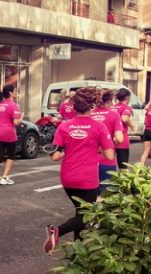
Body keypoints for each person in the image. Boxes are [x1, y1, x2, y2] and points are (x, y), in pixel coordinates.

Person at [44, 87, 114, 254]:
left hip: (68, 178)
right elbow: (110, 155)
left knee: (80, 214)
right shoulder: (99, 127)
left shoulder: (64, 126)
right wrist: (95, 148)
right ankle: (57, 231)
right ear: (92, 107)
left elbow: (55, 156)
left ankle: (78, 257)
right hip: (87, 179)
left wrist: (72, 148)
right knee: (86, 215)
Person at [89, 90, 124, 189]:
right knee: (106, 194)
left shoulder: (89, 114)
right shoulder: (114, 115)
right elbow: (120, 139)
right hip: (107, 158)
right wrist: (112, 142)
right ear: (108, 101)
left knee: (90, 195)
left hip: (89, 160)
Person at [110, 88, 134, 169]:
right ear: (127, 97)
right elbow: (125, 118)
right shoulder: (126, 107)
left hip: (111, 138)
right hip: (122, 139)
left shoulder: (112, 107)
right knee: (123, 167)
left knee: (110, 165)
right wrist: (132, 125)